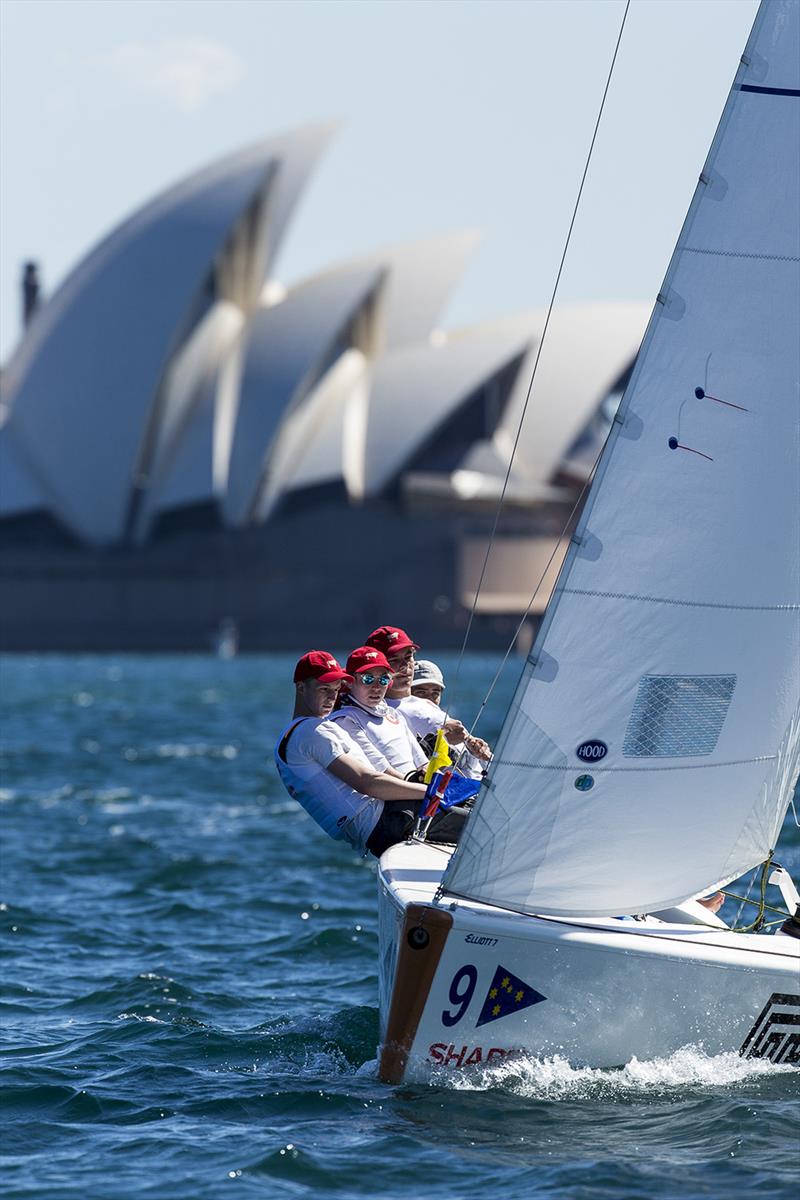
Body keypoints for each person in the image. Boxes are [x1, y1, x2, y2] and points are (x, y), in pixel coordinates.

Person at [274, 650, 467, 858]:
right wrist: (435, 792)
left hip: (383, 825)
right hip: (388, 823)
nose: (333, 697)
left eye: (336, 688)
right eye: (324, 689)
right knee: (489, 823)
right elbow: (367, 783)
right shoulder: (312, 732)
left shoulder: (291, 734)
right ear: (301, 687)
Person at [365, 625, 491, 768]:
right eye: (393, 660)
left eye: (408, 657)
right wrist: (440, 739)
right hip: (441, 788)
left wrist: (475, 747)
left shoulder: (424, 703)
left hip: (479, 782)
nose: (404, 666)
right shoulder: (378, 712)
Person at [330, 647, 428, 777]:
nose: (376, 687)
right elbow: (380, 769)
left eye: (383, 680)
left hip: (418, 789)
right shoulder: (345, 720)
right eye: (368, 679)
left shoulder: (393, 713)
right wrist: (421, 788)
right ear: (349, 682)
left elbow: (422, 762)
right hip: (397, 791)